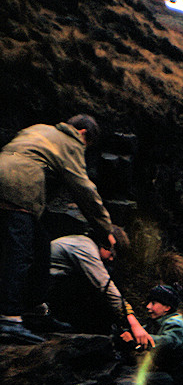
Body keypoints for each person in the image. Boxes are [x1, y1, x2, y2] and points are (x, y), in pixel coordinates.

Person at [0, 115, 114, 344]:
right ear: (82, 133)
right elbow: (84, 189)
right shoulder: (70, 142)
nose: (84, 149)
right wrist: (105, 229)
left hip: (6, 175)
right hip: (17, 187)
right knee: (18, 255)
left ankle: (35, 310)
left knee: (41, 247)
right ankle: (9, 320)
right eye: (87, 145)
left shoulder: (39, 128)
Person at [49, 227, 153, 347]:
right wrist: (135, 325)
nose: (111, 258)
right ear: (105, 244)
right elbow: (106, 287)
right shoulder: (86, 249)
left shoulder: (83, 242)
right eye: (112, 252)